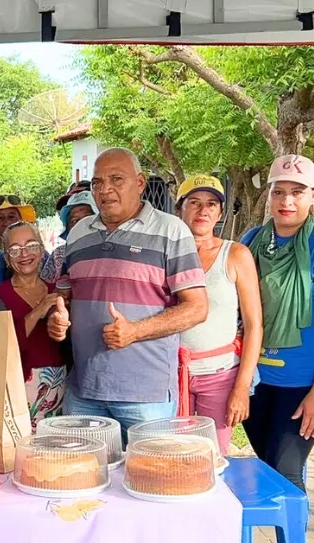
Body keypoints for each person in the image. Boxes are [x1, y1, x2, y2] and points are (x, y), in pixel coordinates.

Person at [48, 148, 208, 438]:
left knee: (148, 467)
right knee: (80, 466)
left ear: (140, 182)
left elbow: (197, 308)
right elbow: (65, 296)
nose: (104, 189)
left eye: (116, 179)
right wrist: (58, 319)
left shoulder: (171, 230)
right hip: (84, 391)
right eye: (97, 182)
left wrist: (135, 331)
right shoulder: (79, 233)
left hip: (146, 396)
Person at [241, 155, 314, 543]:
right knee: (271, 470)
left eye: (297, 192)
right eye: (279, 191)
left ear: (312, 197)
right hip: (254, 382)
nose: (287, 200)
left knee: (286, 475)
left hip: (300, 387)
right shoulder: (252, 241)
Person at [176, 175, 262, 456]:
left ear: (220, 212)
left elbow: (254, 324)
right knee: (172, 455)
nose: (203, 211)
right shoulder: (165, 253)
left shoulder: (235, 254)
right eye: (194, 203)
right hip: (170, 374)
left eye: (211, 204)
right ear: (179, 209)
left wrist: (242, 387)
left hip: (220, 375)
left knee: (213, 457)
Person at [0, 222, 66, 427]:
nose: (24, 254)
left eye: (31, 245)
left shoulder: (57, 291)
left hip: (61, 388)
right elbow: (1, 346)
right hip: (19, 389)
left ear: (42, 251)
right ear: (6, 258)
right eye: (15, 249)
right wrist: (38, 311)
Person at [42, 191, 98, 285]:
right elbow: (45, 288)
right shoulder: (58, 255)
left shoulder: (112, 249)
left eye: (88, 218)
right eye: (75, 220)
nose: (81, 224)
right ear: (68, 229)